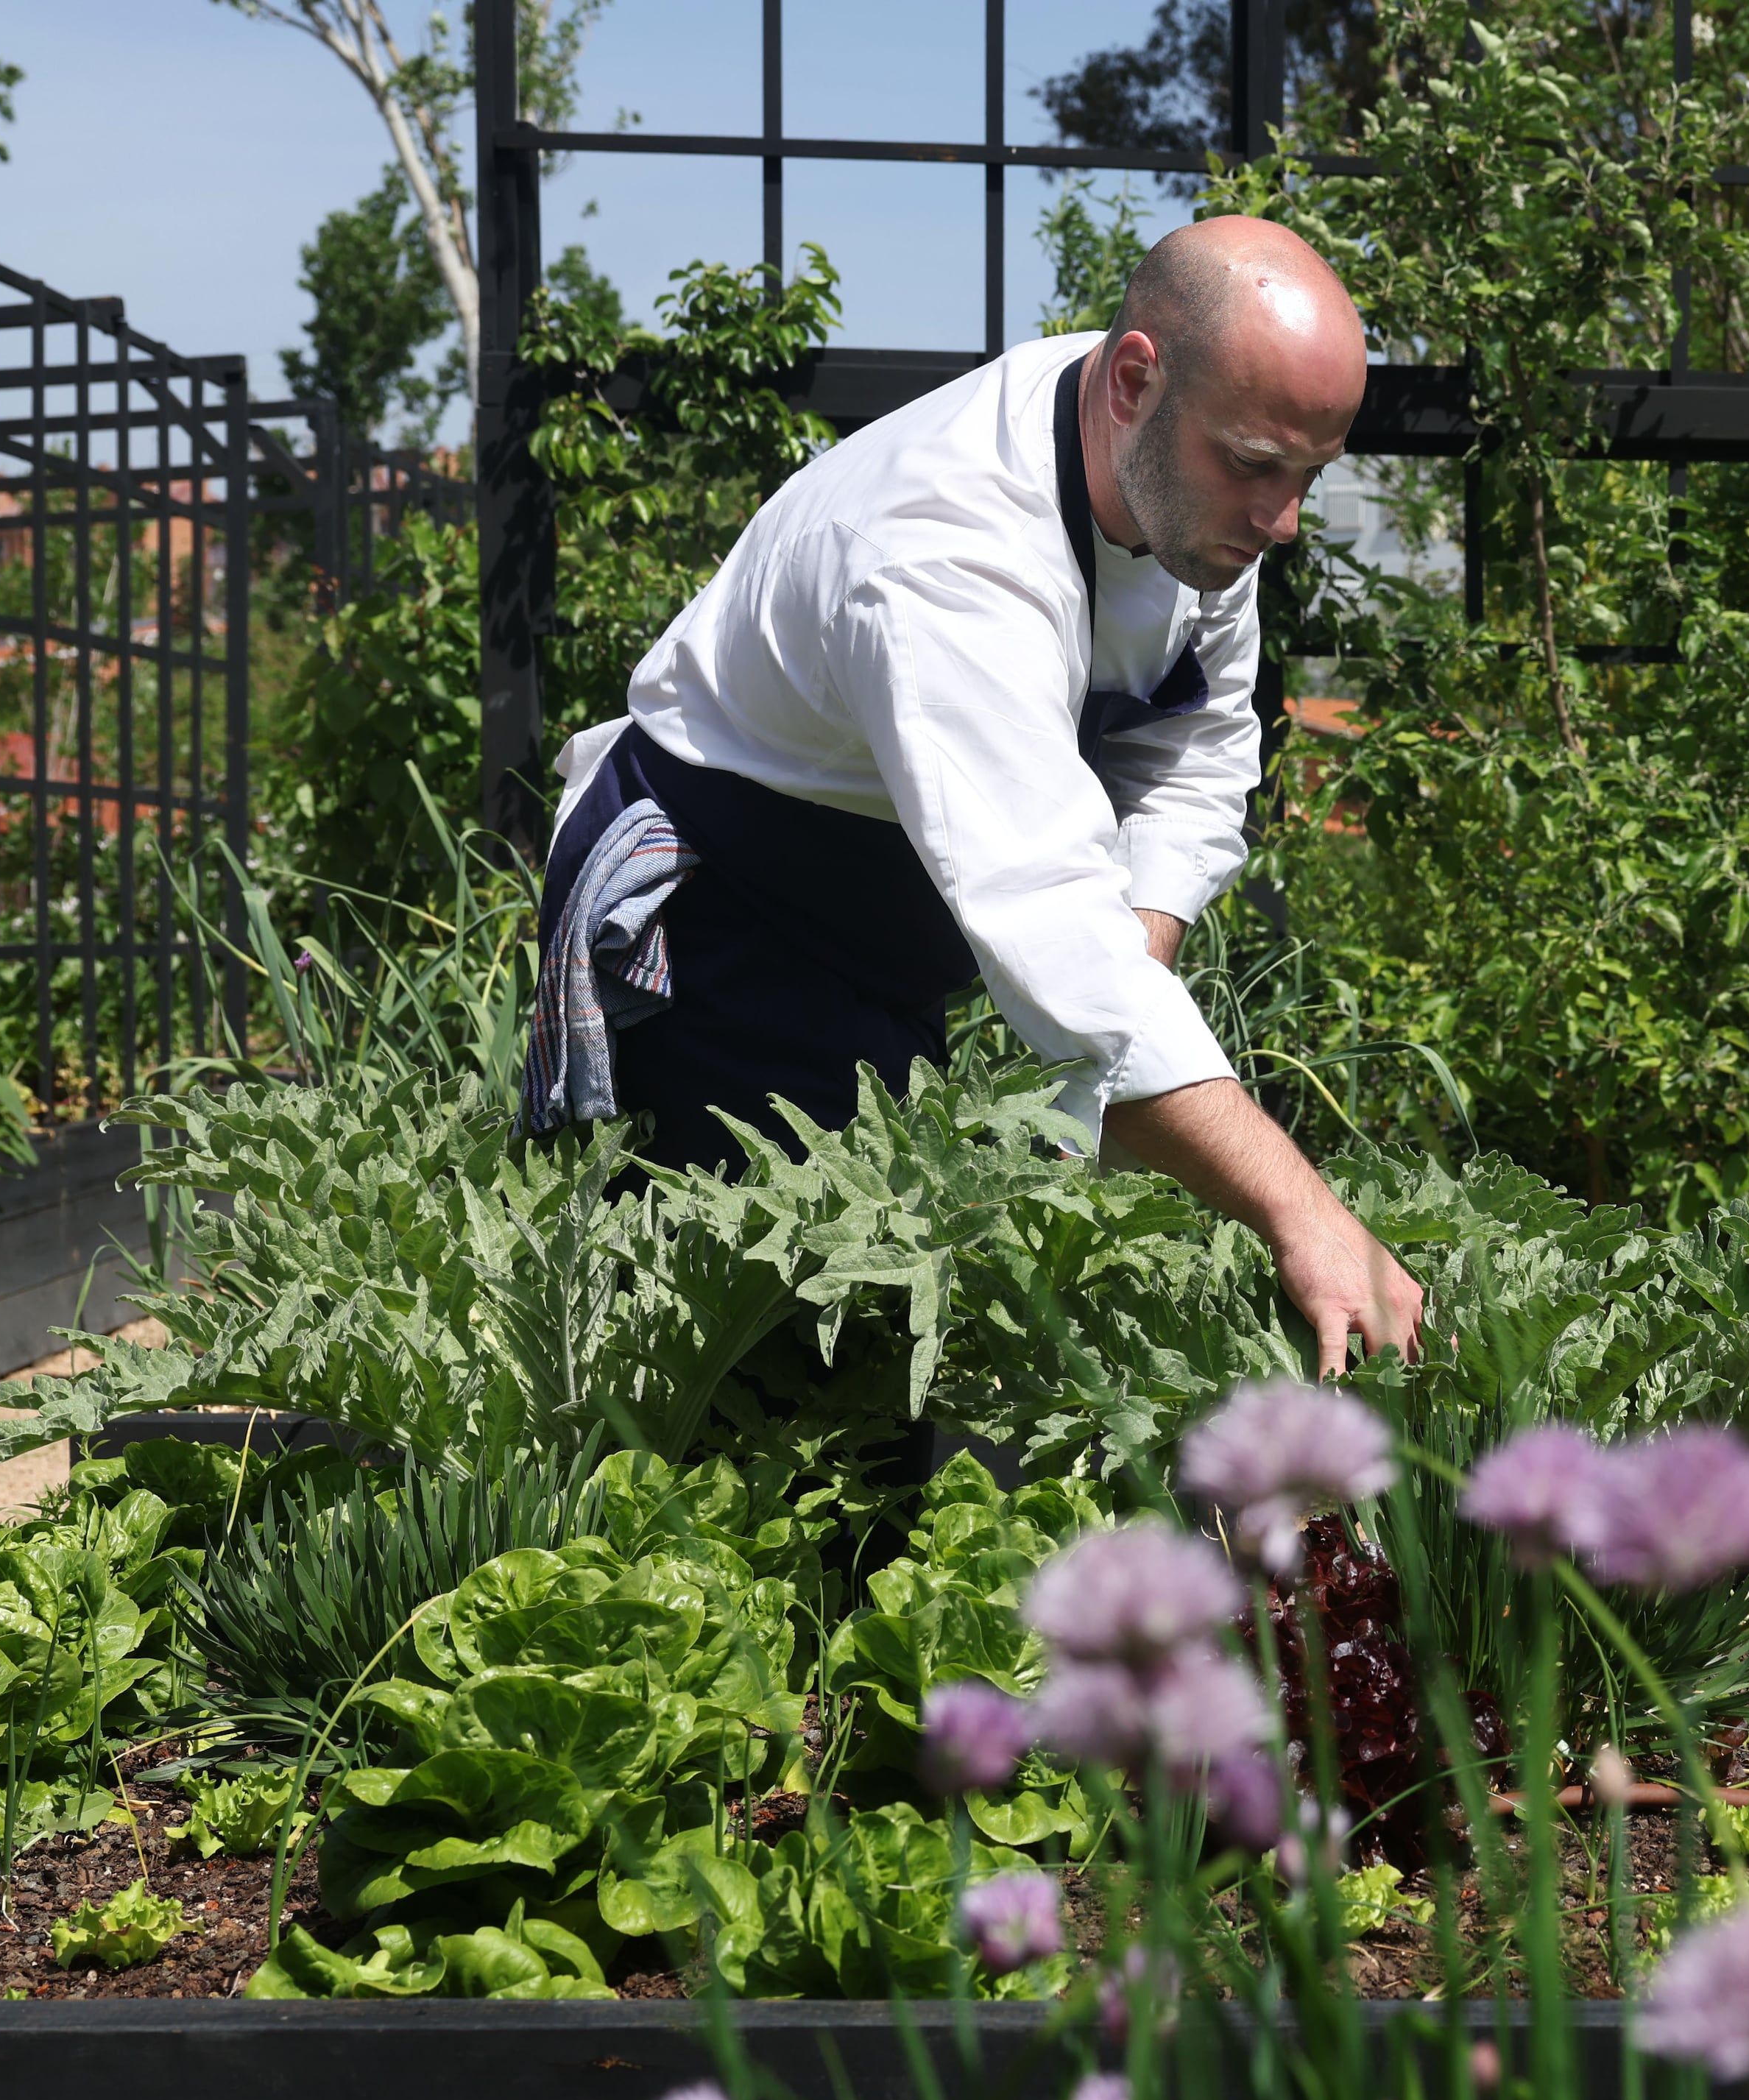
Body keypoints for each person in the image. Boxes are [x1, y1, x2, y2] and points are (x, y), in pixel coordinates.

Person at [521, 215, 1423, 1376]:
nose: (1283, 520)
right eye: (1257, 466)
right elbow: (1052, 930)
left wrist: (1118, 981)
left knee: (928, 1332)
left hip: (895, 918)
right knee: (774, 1360)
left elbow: (1197, 760)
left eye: (1310, 476)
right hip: (730, 924)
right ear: (1136, 379)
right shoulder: (946, 553)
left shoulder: (1190, 490)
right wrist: (1308, 1214)